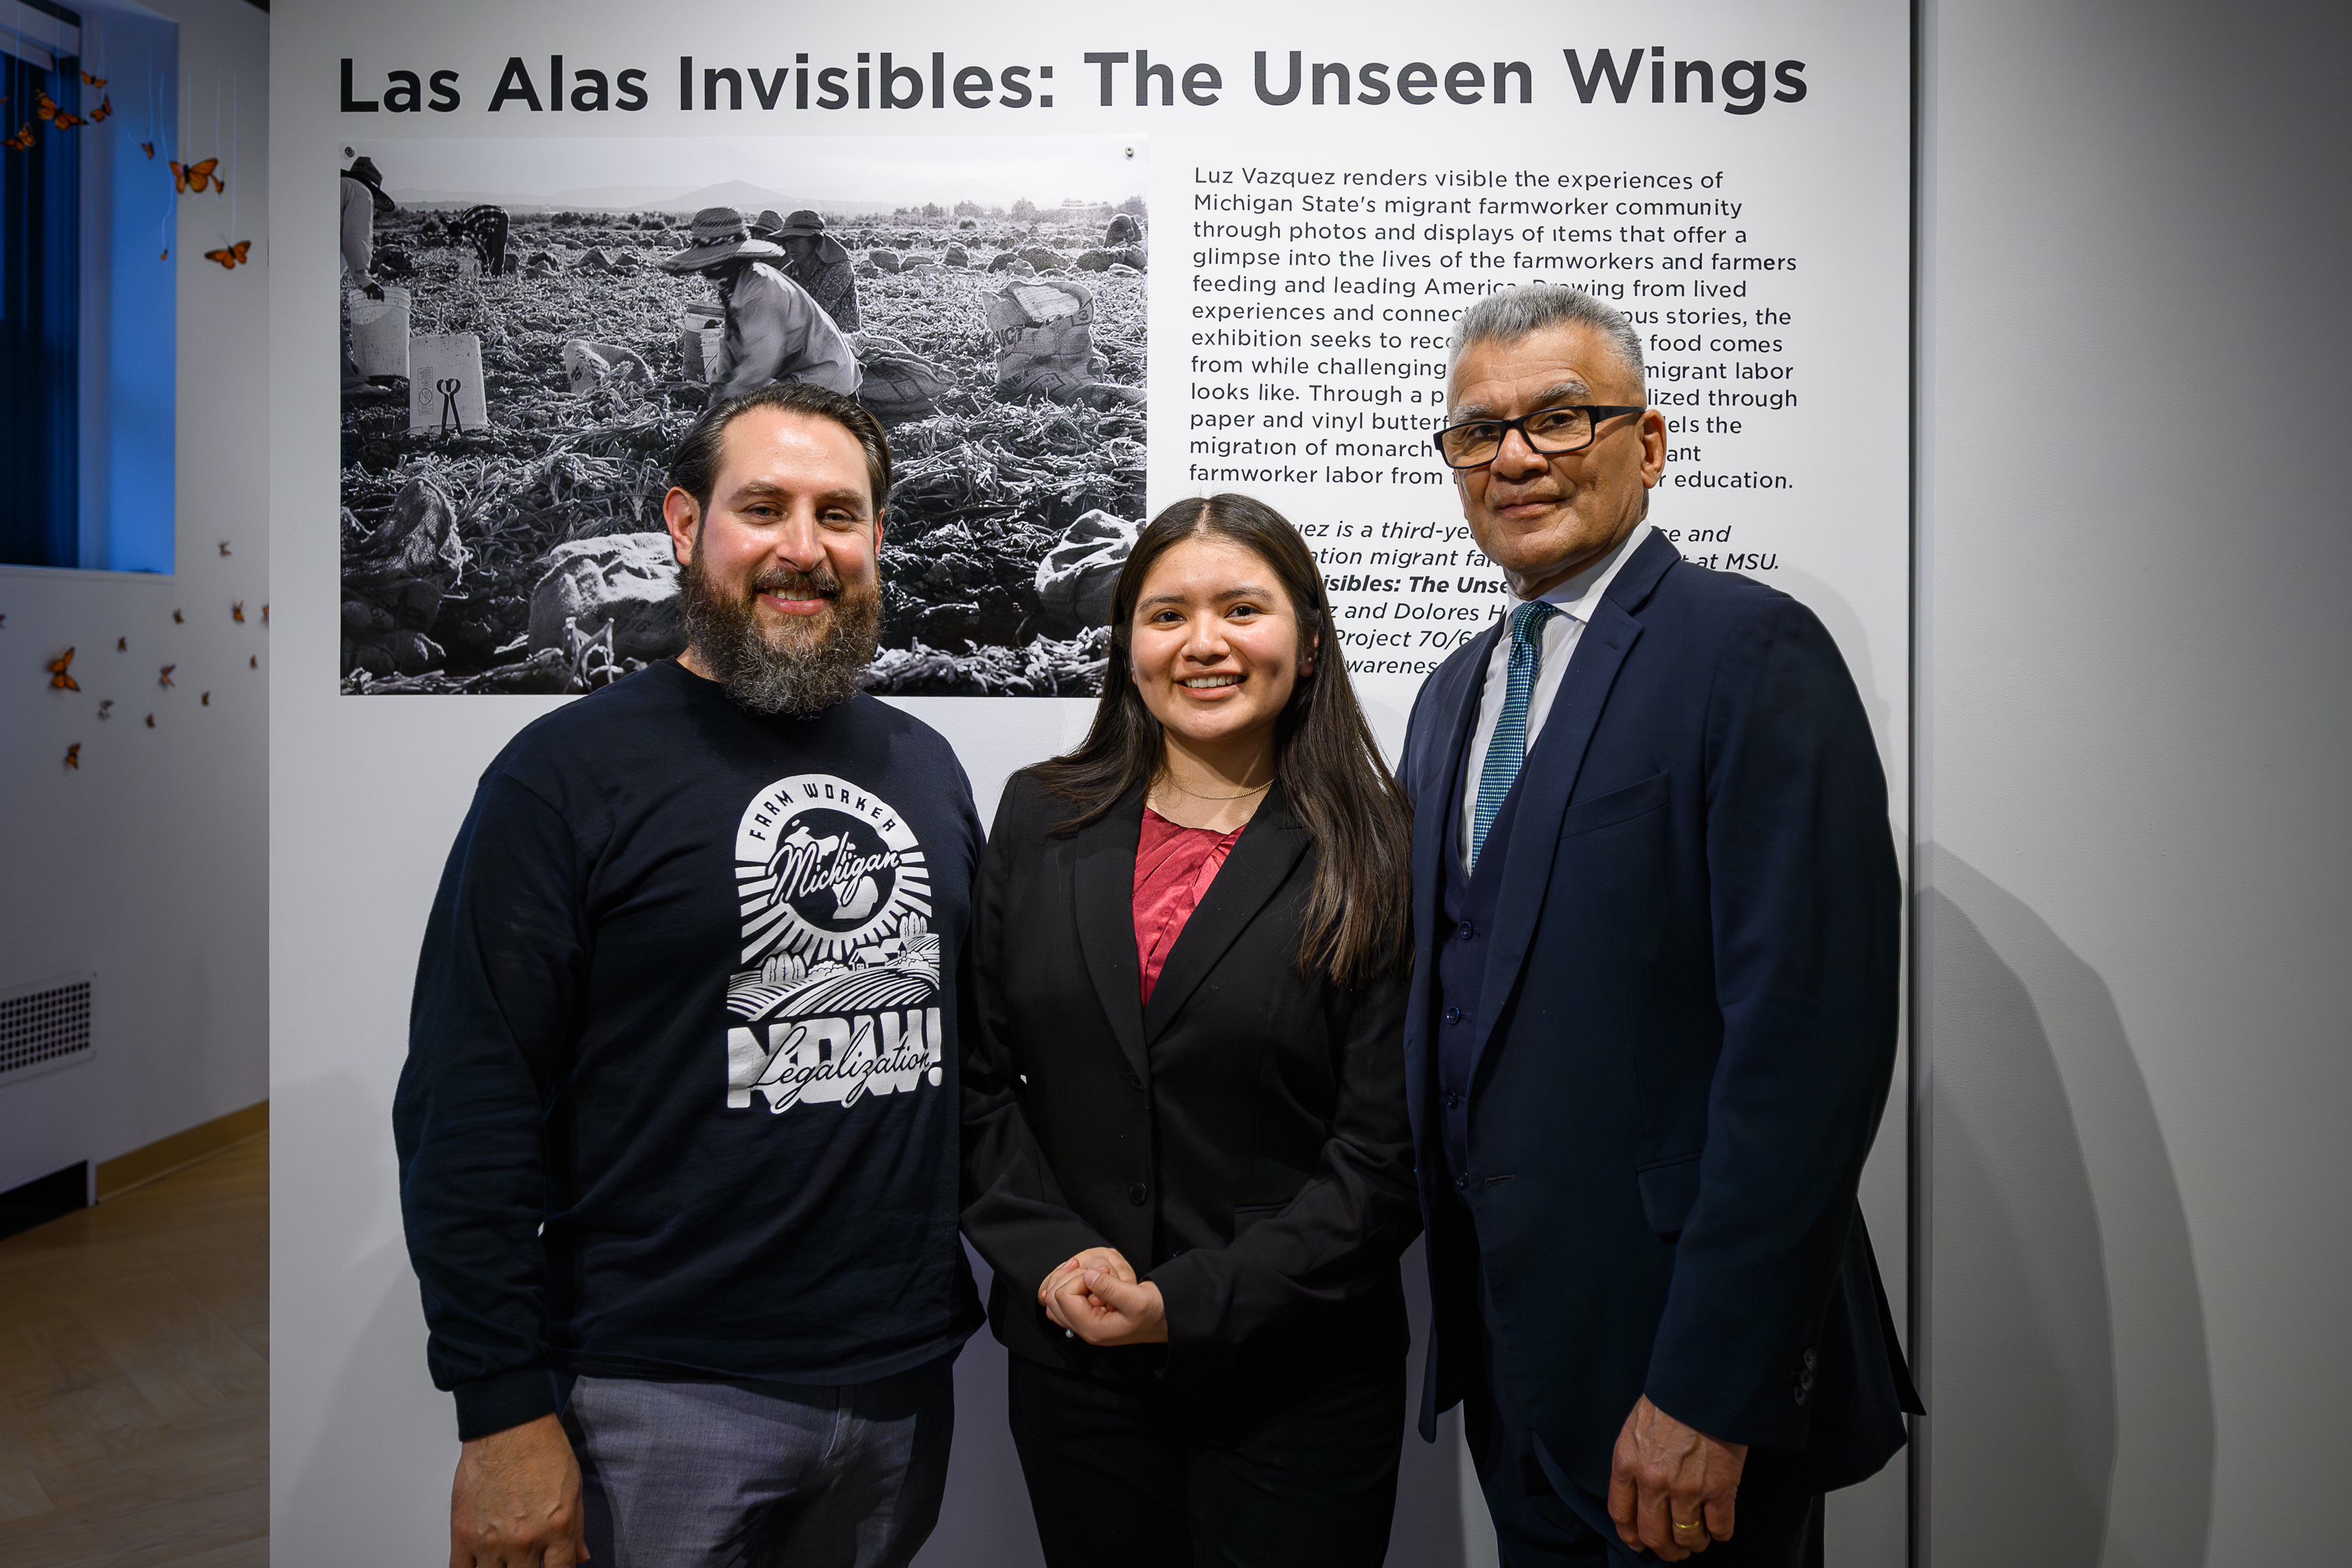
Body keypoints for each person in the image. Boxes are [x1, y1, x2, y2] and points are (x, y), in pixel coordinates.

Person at [395, 380, 981, 1568]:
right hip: (657, 1396)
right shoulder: (563, 777)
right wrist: (500, 1410)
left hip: (900, 1385)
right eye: (762, 507)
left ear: (876, 537)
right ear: (682, 524)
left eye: (840, 514)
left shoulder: (925, 768)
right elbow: (470, 1101)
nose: (803, 550)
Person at [1397, 284, 1920, 1566]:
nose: (1514, 455)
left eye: (1559, 419)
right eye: (1479, 431)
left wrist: (1710, 1389)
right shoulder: (1449, 694)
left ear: (1652, 443)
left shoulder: (1749, 653)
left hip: (1681, 1388)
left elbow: (1808, 1056)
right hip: (1521, 1364)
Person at [962, 494, 1422, 1567]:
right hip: (1080, 1374)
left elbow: (1383, 1156)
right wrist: (1055, 1254)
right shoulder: (1040, 816)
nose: (1203, 643)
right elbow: (978, 1085)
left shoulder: (1376, 843)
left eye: (1241, 610)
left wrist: (1186, 1300)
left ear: (1308, 644)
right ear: (1127, 646)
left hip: (1295, 1377)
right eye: (1166, 614)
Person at [661, 206, 861, 403]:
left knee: (760, 405)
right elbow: (731, 344)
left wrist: (722, 400)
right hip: (801, 369)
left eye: (711, 266)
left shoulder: (762, 290)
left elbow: (758, 369)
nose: (706, 274)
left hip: (828, 377)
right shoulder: (738, 287)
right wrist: (717, 384)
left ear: (728, 262)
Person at [760, 208, 862, 333]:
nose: (790, 244)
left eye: (795, 239)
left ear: (814, 241)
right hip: (804, 338)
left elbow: (817, 314)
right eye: (787, 240)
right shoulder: (789, 272)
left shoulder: (839, 266)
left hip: (842, 338)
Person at [340, 155, 393, 393]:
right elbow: (356, 236)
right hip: (311, 272)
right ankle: (349, 383)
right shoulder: (361, 192)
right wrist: (363, 277)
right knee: (323, 320)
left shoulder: (337, 186)